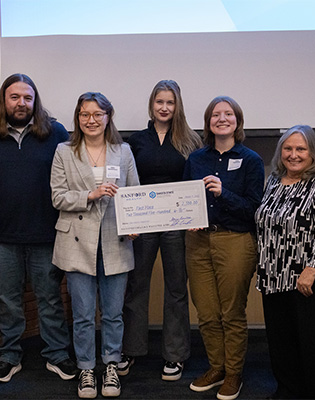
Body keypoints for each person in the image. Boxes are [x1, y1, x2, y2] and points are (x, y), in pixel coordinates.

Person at [0, 73, 77, 384]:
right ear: (3, 100)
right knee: (7, 299)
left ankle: (57, 354)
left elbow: (71, 180)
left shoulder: (55, 133)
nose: (21, 103)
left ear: (35, 101)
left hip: (47, 234)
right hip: (2, 237)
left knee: (49, 297)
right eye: (15, 97)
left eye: (27, 98)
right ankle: (9, 355)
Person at [50, 92, 140, 398]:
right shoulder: (64, 151)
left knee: (114, 314)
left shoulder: (123, 151)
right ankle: (87, 368)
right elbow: (57, 196)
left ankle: (111, 365)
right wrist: (90, 194)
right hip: (76, 241)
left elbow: (135, 194)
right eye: (85, 114)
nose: (91, 120)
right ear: (77, 118)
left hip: (116, 239)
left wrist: (136, 225)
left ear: (108, 117)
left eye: (97, 114)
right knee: (84, 314)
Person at [120, 80, 202, 380]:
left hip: (178, 224)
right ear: (151, 105)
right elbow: (127, 182)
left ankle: (175, 355)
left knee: (177, 288)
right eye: (159, 102)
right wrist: (128, 221)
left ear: (177, 105)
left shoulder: (191, 140)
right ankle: (130, 350)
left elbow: (196, 184)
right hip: (142, 223)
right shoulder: (136, 140)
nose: (164, 107)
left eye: (170, 102)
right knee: (136, 285)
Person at [183, 96, 264, 400]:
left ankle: (233, 374)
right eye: (215, 115)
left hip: (235, 240)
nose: (221, 119)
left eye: (228, 114)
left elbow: (254, 208)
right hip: (198, 241)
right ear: (208, 122)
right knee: (206, 312)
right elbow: (184, 199)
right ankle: (216, 368)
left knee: (231, 313)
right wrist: (186, 218)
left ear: (237, 121)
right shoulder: (195, 159)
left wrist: (223, 192)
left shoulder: (251, 160)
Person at [255, 125, 315, 399]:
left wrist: (311, 270)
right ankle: (288, 391)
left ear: (312, 152)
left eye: (300, 149)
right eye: (288, 148)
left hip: (311, 281)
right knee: (282, 345)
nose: (293, 155)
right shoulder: (273, 181)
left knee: (313, 347)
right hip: (275, 277)